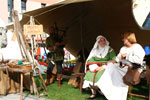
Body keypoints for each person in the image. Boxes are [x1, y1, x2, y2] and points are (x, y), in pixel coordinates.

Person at [90, 32, 145, 100]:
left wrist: (127, 56)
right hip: (122, 66)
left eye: (124, 38)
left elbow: (139, 60)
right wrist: (109, 62)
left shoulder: (137, 47)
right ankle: (101, 86)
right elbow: (117, 59)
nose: (122, 40)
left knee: (115, 73)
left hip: (133, 68)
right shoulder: (123, 48)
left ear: (128, 38)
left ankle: (107, 89)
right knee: (110, 66)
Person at [82, 35, 116, 99]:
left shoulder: (110, 49)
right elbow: (90, 60)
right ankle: (94, 93)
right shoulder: (95, 50)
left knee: (102, 75)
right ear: (98, 42)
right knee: (89, 74)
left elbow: (114, 59)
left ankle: (104, 92)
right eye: (100, 41)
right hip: (96, 67)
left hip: (107, 66)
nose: (102, 42)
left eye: (104, 40)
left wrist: (104, 66)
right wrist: (94, 67)